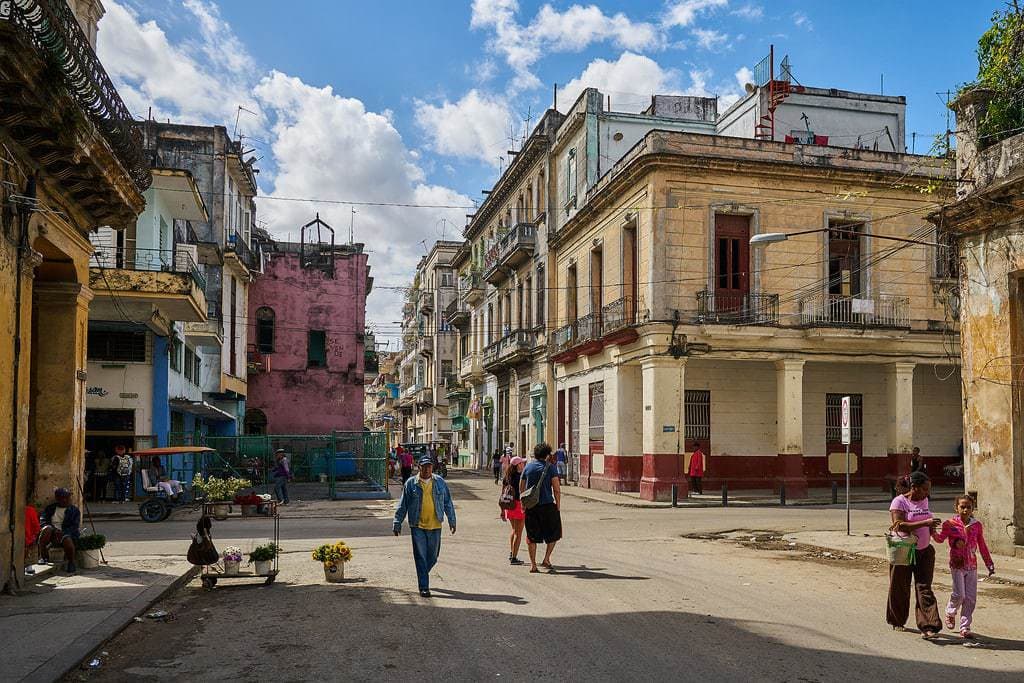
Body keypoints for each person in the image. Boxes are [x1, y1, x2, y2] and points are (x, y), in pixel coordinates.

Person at [886, 471, 942, 638]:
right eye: (924, 489)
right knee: (900, 586)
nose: (927, 493)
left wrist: (932, 529)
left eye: (928, 489)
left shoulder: (924, 500)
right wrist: (925, 522)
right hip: (904, 550)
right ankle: (897, 621)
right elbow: (898, 525)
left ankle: (929, 626)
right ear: (914, 487)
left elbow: (926, 518)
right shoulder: (899, 501)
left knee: (924, 588)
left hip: (924, 551)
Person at [932, 494, 995, 639]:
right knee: (959, 594)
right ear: (956, 508)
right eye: (962, 507)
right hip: (957, 564)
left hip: (972, 566)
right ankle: (950, 612)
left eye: (969, 507)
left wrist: (989, 563)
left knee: (971, 598)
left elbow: (982, 545)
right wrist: (932, 531)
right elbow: (940, 539)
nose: (966, 510)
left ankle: (965, 627)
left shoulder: (976, 525)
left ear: (973, 508)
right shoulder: (950, 524)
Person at [393, 454, 456, 597]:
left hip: (435, 525)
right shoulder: (411, 483)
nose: (427, 469)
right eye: (424, 466)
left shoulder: (439, 482)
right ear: (419, 467)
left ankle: (422, 574)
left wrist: (452, 520)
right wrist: (397, 522)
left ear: (432, 467)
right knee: (420, 556)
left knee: (433, 557)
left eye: (429, 466)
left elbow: (447, 502)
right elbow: (403, 505)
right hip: (417, 526)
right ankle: (424, 586)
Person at [522, 442, 561, 574]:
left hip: (531, 506)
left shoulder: (528, 467)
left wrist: (524, 503)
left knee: (531, 536)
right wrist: (558, 505)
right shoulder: (550, 468)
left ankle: (533, 564)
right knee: (554, 533)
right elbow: (556, 488)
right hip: (547, 505)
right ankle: (546, 558)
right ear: (547, 455)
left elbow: (522, 487)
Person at [38, 488, 81, 573]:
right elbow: (43, 520)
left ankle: (71, 562)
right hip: (52, 533)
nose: (67, 500)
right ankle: (43, 557)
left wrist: (63, 533)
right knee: (46, 530)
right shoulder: (50, 508)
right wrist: (54, 530)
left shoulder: (74, 511)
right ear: (58, 499)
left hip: (66, 533)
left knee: (67, 539)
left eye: (68, 497)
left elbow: (74, 526)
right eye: (64, 497)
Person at [501, 456, 527, 565]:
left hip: (509, 506)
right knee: (518, 533)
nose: (524, 464)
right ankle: (514, 557)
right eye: (522, 463)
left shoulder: (507, 477)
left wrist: (502, 510)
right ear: (518, 465)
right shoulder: (521, 477)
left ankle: (512, 552)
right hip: (518, 505)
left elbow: (502, 494)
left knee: (513, 530)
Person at [24, 503, 40, 576]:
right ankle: (28, 566)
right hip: (27, 538)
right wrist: (34, 535)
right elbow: (36, 526)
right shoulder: (30, 510)